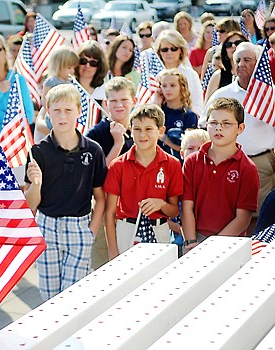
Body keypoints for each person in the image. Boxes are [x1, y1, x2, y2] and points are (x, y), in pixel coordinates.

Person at [24, 84, 106, 301]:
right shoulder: (38, 152)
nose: (62, 116)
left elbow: (100, 197)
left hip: (79, 228)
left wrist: (92, 231)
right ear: (48, 112)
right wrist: (36, 184)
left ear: (79, 111)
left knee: (72, 297)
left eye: (68, 110)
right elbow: (31, 203)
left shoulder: (93, 150)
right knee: (50, 298)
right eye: (56, 110)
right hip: (47, 227)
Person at [206, 42, 275, 221]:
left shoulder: (270, 93)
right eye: (237, 60)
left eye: (247, 60)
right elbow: (205, 125)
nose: (241, 64)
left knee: (259, 218)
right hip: (228, 162)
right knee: (231, 216)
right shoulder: (222, 95)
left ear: (259, 63)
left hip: (263, 162)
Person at [104, 104, 183, 259]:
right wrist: (113, 251)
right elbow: (110, 213)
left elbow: (174, 210)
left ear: (160, 131)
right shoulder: (118, 165)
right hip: (126, 229)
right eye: (137, 129)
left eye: (148, 129)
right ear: (130, 130)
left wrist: (161, 204)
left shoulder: (172, 164)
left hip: (159, 230)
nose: (142, 135)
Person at [181, 98, 259, 252]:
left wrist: (213, 247)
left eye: (226, 123)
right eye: (213, 123)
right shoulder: (192, 161)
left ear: (240, 128)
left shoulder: (247, 168)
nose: (218, 128)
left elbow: (243, 218)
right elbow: (186, 207)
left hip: (230, 243)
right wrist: (190, 242)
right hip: (195, 239)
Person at [85, 77, 137, 269]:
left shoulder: (139, 129)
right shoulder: (95, 135)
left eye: (124, 100)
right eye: (113, 101)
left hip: (133, 208)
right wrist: (117, 145)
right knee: (103, 264)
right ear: (106, 103)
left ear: (134, 101)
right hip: (105, 205)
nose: (119, 105)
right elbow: (95, 176)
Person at [166, 128, 210, 256]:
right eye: (190, 148)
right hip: (176, 240)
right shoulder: (172, 179)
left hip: (205, 237)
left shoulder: (211, 180)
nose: (195, 153)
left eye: (200, 149)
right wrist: (179, 228)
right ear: (181, 153)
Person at [34, 46, 79, 141]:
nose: (72, 71)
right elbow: (44, 101)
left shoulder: (71, 82)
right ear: (59, 66)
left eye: (73, 68)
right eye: (69, 68)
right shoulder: (51, 81)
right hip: (53, 116)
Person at [154, 30, 203, 115]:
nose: (169, 53)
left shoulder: (191, 75)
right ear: (159, 52)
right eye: (165, 49)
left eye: (174, 49)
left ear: (181, 50)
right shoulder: (154, 76)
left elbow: (198, 106)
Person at [155, 69, 198, 161]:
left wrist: (166, 140)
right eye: (164, 86)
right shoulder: (159, 112)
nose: (168, 89)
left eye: (172, 85)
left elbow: (189, 148)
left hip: (179, 164)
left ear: (182, 87)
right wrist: (156, 104)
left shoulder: (189, 115)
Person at [204, 31, 248, 103]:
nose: (233, 46)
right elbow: (208, 105)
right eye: (229, 44)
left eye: (238, 43)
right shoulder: (218, 76)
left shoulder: (254, 74)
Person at [200, 18, 241, 82]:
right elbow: (203, 78)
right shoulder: (211, 52)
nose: (218, 33)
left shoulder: (241, 50)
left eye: (222, 31)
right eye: (217, 30)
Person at [74, 40, 108, 105]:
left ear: (100, 66)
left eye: (93, 63)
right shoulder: (68, 86)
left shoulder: (105, 92)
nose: (87, 66)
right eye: (83, 61)